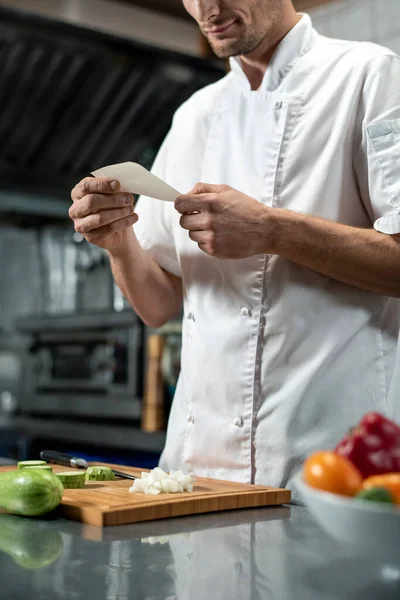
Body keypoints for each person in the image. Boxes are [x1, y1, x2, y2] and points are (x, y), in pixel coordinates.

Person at [69, 0, 400, 495]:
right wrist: (119, 245)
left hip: (329, 464)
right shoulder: (194, 116)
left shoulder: (369, 76)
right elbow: (158, 305)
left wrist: (272, 230)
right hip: (196, 470)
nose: (208, 7)